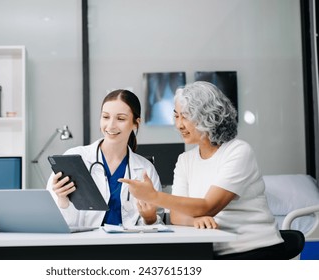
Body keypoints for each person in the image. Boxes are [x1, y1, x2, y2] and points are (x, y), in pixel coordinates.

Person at [119, 81, 285, 259]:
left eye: (186, 117)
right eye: (176, 116)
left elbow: (209, 206)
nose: (179, 125)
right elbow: (176, 216)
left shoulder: (238, 151)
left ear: (209, 116)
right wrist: (195, 220)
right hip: (209, 249)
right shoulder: (185, 160)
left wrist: (153, 196)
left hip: (253, 248)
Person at [47, 89, 163, 228]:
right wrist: (62, 200)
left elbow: (156, 228)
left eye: (121, 118)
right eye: (106, 117)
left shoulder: (145, 169)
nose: (111, 125)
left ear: (135, 123)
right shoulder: (74, 159)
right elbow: (55, 221)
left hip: (129, 246)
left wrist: (149, 218)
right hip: (85, 245)